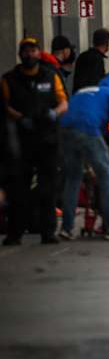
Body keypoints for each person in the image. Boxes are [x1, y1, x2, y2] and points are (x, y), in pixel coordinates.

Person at [1, 37, 68, 246]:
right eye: (26, 51)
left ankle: (48, 232)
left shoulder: (51, 76)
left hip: (47, 140)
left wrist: (54, 113)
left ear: (39, 52)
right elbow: (3, 105)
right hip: (21, 141)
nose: (30, 54)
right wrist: (19, 118)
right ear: (21, 54)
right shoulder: (9, 79)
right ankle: (15, 233)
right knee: (18, 189)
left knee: (48, 188)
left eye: (33, 50)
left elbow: (64, 102)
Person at [59, 72, 109, 240]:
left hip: (64, 129)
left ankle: (66, 228)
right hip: (88, 128)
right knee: (106, 175)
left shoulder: (84, 91)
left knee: (73, 178)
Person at [72, 28, 109, 93]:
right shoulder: (97, 59)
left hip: (78, 97)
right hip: (90, 98)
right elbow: (95, 83)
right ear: (106, 43)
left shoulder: (82, 56)